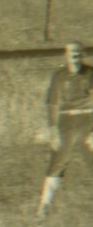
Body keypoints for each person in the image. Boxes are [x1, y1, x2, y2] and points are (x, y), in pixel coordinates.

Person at [39, 41, 93, 216]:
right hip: (66, 122)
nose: (75, 58)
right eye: (71, 55)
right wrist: (53, 130)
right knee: (58, 163)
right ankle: (45, 204)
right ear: (66, 56)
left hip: (87, 119)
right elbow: (53, 103)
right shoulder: (59, 76)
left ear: (82, 55)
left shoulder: (90, 73)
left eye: (78, 54)